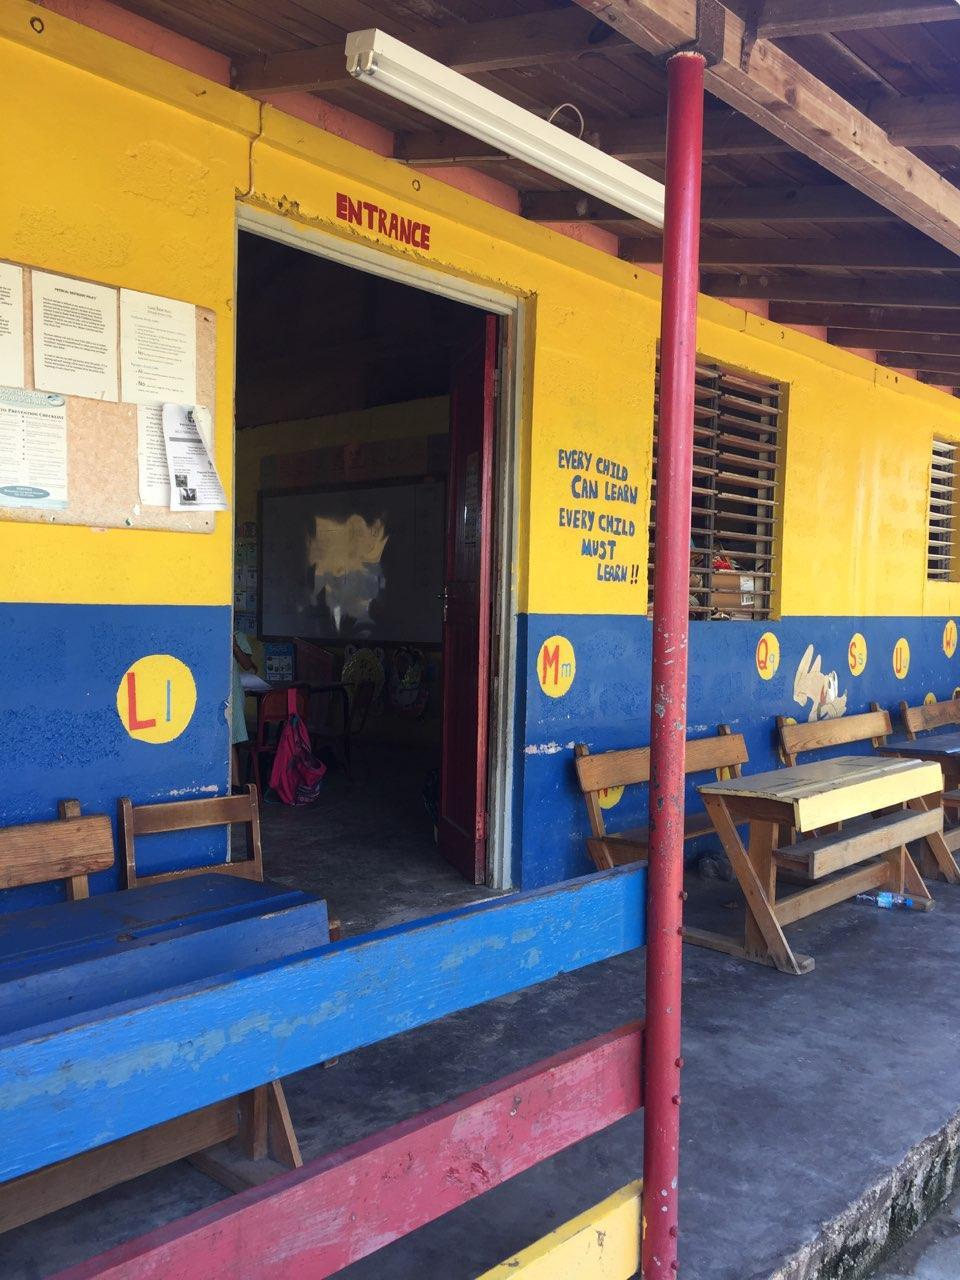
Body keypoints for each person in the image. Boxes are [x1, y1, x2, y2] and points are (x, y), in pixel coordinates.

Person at [231, 631, 256, 786]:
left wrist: (234, 645)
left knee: (230, 740)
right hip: (213, 689)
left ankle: (236, 786)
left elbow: (247, 665)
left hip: (232, 692)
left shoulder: (238, 635)